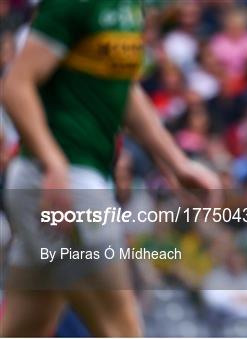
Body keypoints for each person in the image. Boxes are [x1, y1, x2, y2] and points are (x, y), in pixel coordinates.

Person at [0, 0, 220, 336]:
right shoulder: (75, 5)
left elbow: (123, 87)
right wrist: (54, 164)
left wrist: (177, 163)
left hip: (67, 178)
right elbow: (16, 86)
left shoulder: (129, 7)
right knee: (121, 328)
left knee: (26, 328)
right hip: (65, 184)